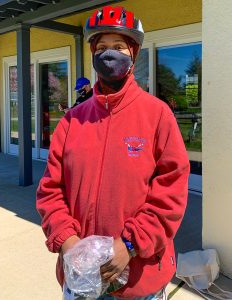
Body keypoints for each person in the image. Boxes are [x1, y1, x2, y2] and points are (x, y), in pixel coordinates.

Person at [36, 5, 190, 300]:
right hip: (80, 275)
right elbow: (50, 190)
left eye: (119, 46)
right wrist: (68, 241)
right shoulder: (72, 120)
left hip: (139, 278)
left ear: (133, 55)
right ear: (93, 54)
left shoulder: (157, 115)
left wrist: (129, 245)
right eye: (102, 47)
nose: (110, 54)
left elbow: (171, 193)